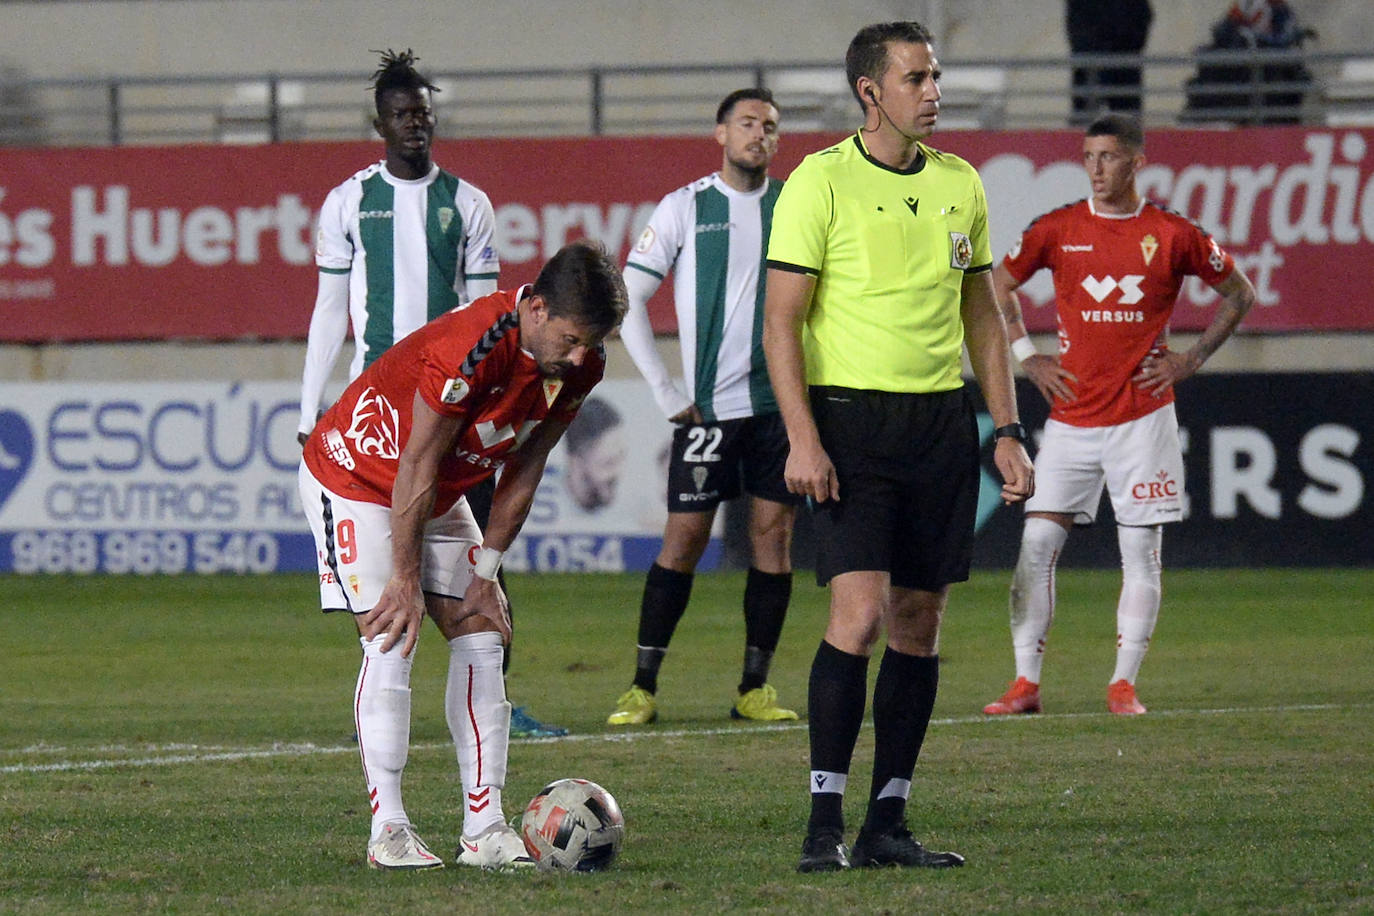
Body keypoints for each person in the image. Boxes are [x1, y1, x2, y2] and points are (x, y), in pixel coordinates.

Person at [762, 22, 1034, 873]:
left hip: (939, 426)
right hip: (849, 426)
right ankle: (821, 822)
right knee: (860, 616)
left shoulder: (961, 184)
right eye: (917, 77)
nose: (934, 90)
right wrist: (802, 437)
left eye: (936, 74)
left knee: (920, 621)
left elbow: (982, 316)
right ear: (869, 91)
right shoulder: (820, 182)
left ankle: (888, 822)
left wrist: (1008, 428)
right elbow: (781, 322)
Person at [297, 239, 627, 870]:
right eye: (572, 339)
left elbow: (528, 464)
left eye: (594, 342)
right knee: (392, 631)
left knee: (482, 630)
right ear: (535, 308)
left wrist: (487, 571)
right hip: (358, 476)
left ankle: (484, 828)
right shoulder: (471, 346)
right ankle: (388, 830)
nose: (582, 356)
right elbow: (414, 462)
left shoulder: (582, 365)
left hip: (435, 485)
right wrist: (404, 577)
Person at [296, 49, 563, 739]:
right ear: (378, 123)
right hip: (385, 415)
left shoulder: (467, 204)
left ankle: (496, 695)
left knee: (483, 560)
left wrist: (498, 405)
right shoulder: (348, 202)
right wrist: (309, 408)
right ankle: (388, 696)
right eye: (401, 113)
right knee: (392, 568)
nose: (415, 122)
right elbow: (330, 310)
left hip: (459, 414)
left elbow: (490, 313)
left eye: (423, 111)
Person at [981, 113, 1256, 719]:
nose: (1096, 167)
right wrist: (1028, 357)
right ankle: (1025, 683)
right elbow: (998, 287)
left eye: (1108, 156)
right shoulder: (1057, 228)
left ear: (1136, 162)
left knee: (1140, 554)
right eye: (1088, 156)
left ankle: (1123, 684)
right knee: (1035, 544)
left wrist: (1192, 359)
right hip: (1073, 419)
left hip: (1143, 420)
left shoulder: (1174, 233)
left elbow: (1240, 293)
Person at [605, 88, 801, 727]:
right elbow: (627, 296)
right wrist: (665, 390)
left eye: (770, 126)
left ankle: (754, 688)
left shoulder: (795, 205)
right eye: (747, 123)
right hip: (708, 412)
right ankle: (642, 686)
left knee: (772, 539)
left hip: (779, 408)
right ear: (720, 133)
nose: (759, 135)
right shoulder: (685, 206)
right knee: (684, 540)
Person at [1065, 0, 1153, 123]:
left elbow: (1143, 15)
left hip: (1121, 63)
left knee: (1125, 123)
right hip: (1097, 64)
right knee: (1085, 122)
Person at [562, 396, 626, 513]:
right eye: (608, 463)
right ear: (576, 463)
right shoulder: (542, 503)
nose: (619, 471)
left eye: (621, 457)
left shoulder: (635, 511)